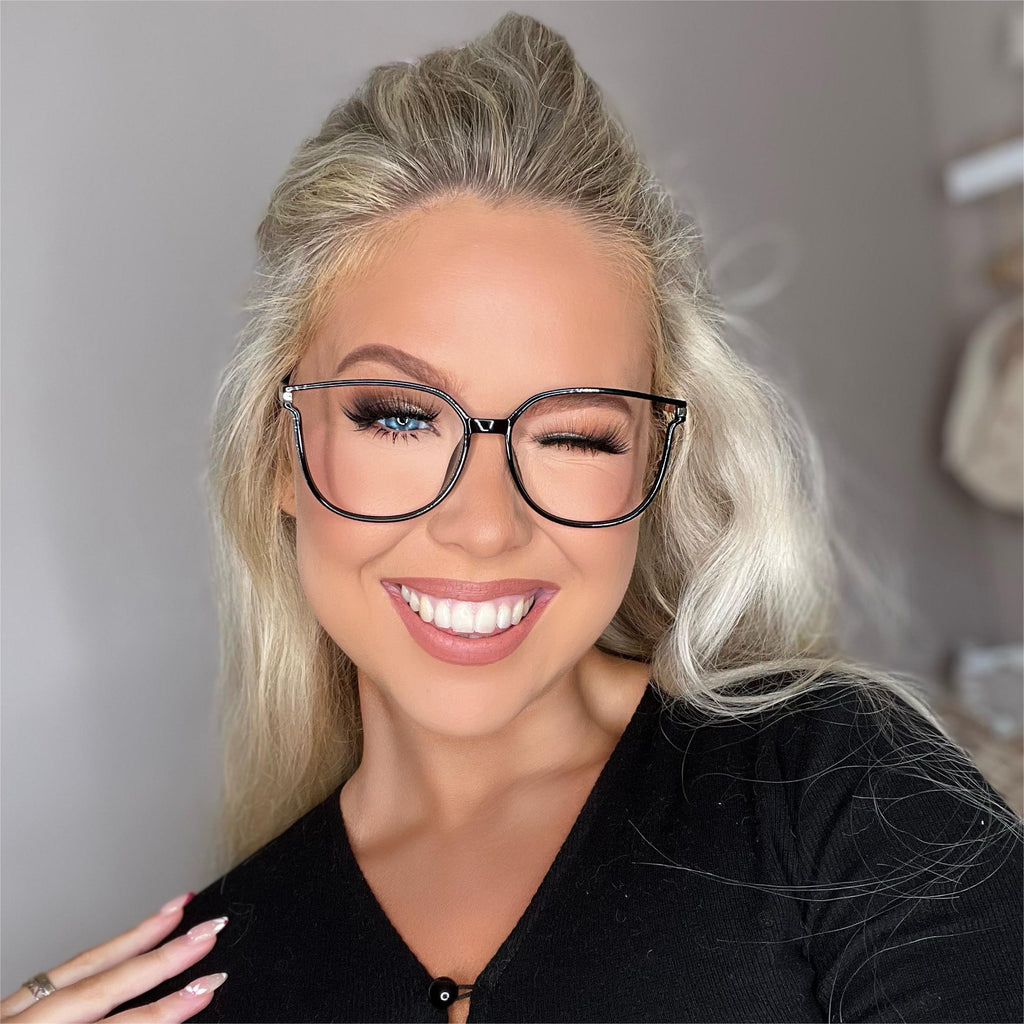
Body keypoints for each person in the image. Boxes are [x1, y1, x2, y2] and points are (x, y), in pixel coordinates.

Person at [3, 12, 1021, 1024]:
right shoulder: (202, 979)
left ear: (654, 463)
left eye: (575, 435)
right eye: (399, 417)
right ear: (283, 455)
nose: (484, 525)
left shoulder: (839, 797)